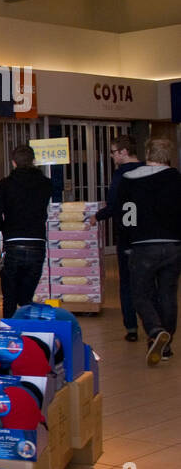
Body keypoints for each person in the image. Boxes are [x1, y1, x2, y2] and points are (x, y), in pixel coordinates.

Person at [117, 137, 181, 366]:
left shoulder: (129, 180)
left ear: (148, 153)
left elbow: (125, 215)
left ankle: (154, 330)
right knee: (168, 294)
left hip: (142, 245)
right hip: (173, 245)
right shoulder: (176, 179)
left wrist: (128, 239)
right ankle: (166, 345)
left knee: (141, 294)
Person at [0, 144, 51, 318]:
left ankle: (9, 331)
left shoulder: (5, 184)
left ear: (13, 163)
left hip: (13, 242)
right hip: (37, 242)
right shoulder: (45, 184)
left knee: (9, 295)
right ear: (33, 161)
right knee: (26, 297)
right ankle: (27, 332)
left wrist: (3, 228)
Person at [95, 136, 144, 341]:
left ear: (124, 152)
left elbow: (114, 205)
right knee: (149, 282)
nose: (112, 155)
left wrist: (97, 216)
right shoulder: (148, 171)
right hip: (147, 235)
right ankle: (156, 326)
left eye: (114, 152)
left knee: (127, 283)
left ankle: (131, 328)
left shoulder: (120, 175)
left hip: (126, 234)